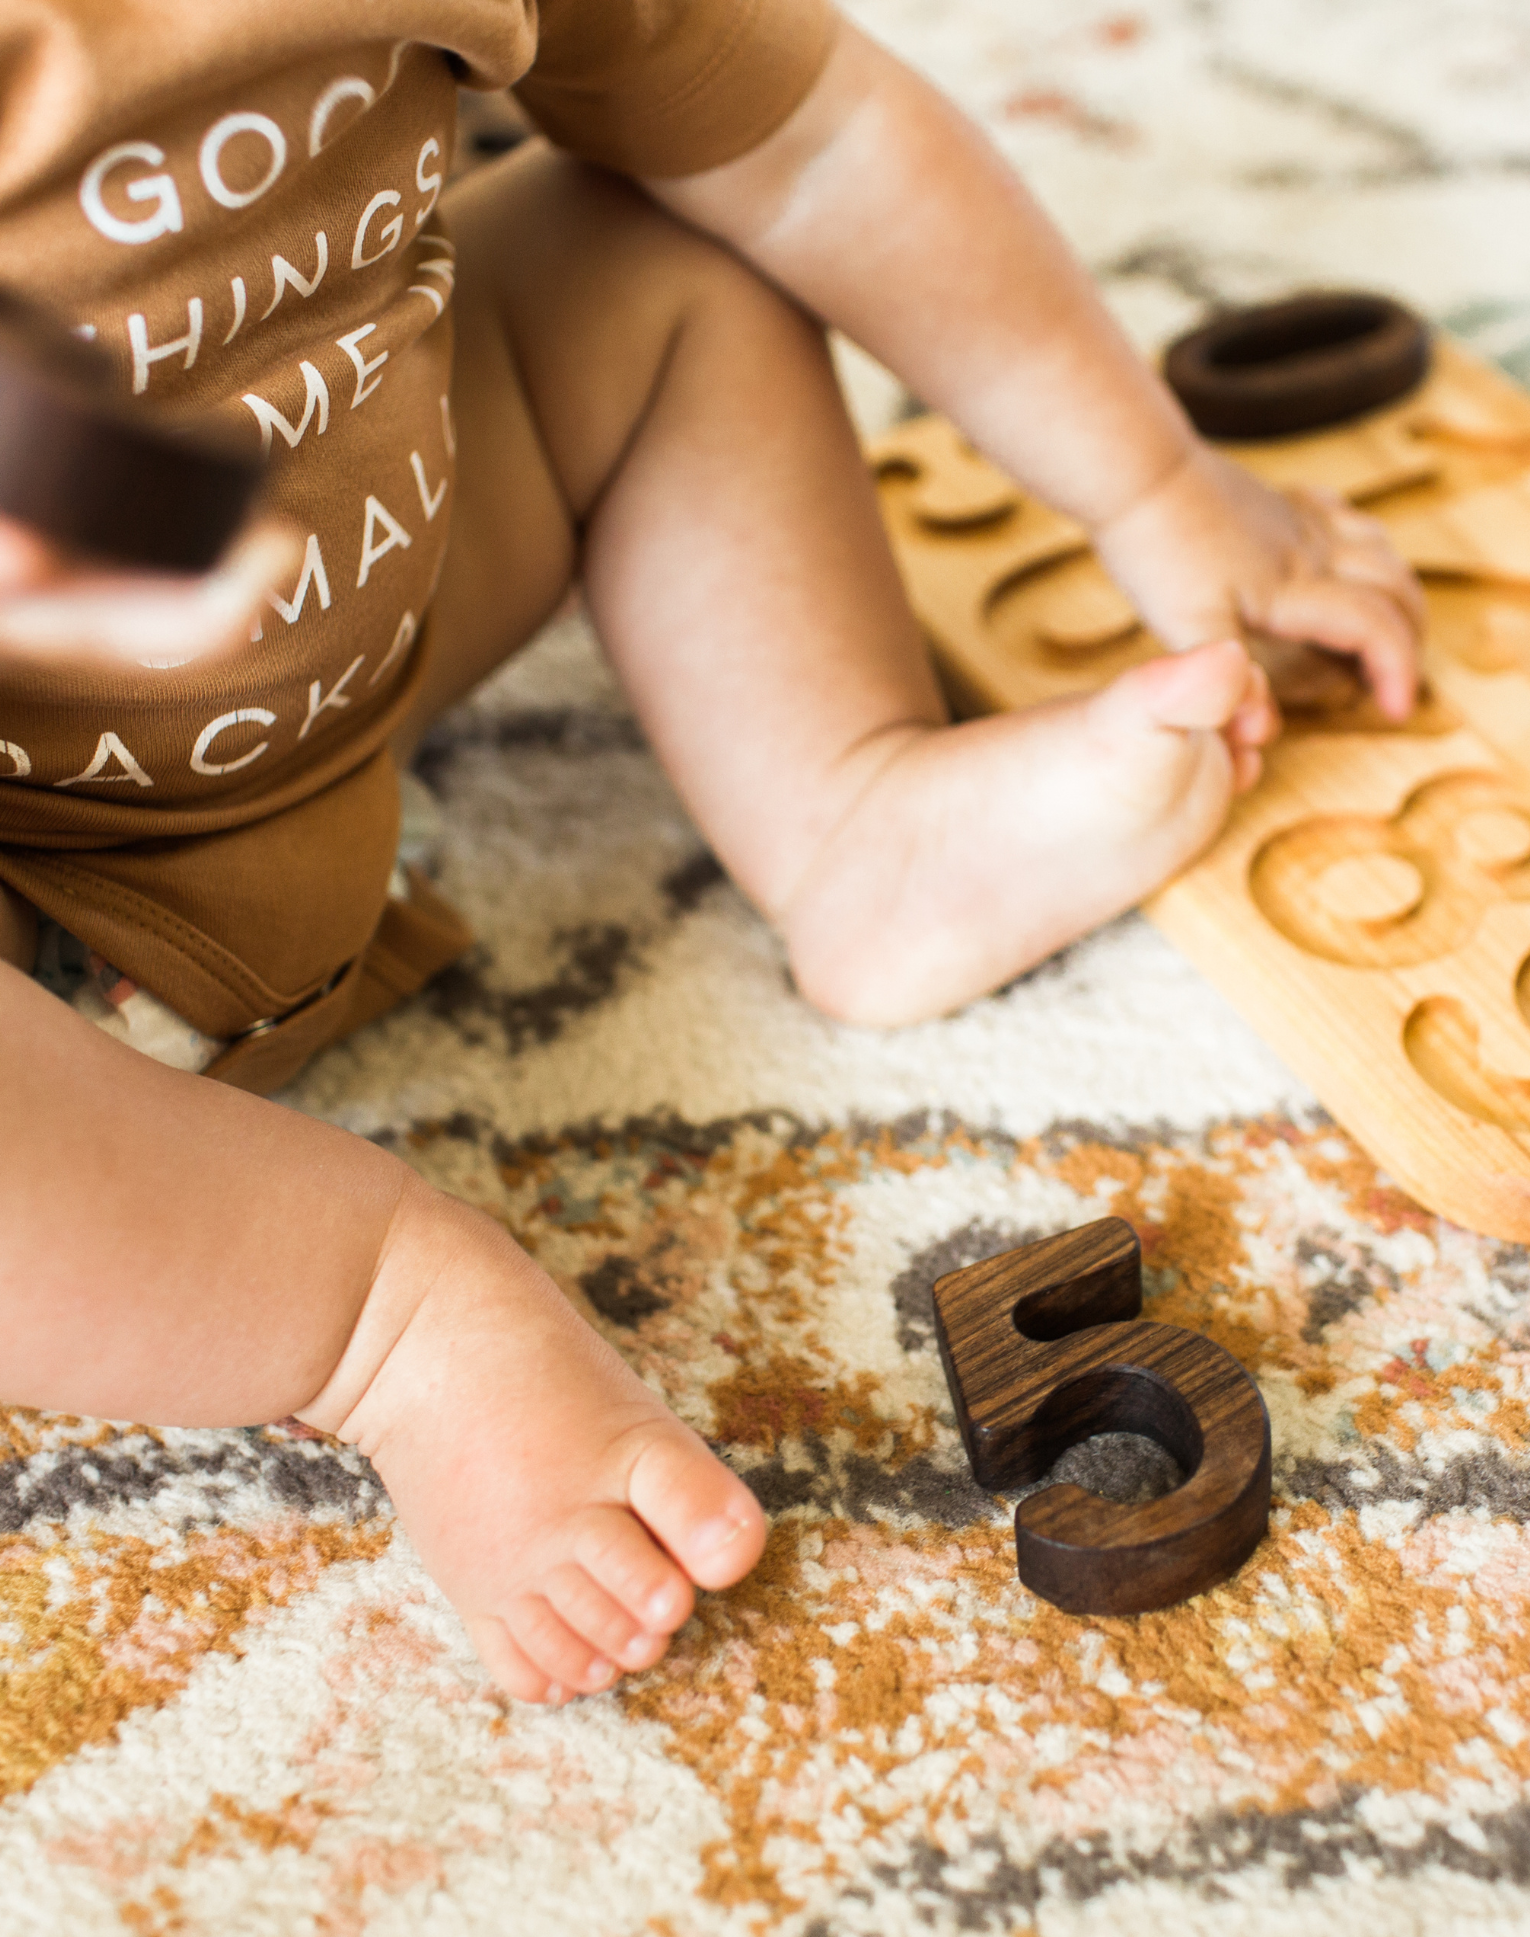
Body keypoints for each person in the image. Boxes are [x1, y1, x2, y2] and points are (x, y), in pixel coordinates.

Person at [0, 0, 1423, 1704]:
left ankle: (847, 810)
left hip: (334, 643)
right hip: (57, 972)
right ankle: (380, 1316)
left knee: (653, 230)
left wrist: (1156, 492)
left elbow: (813, 138)